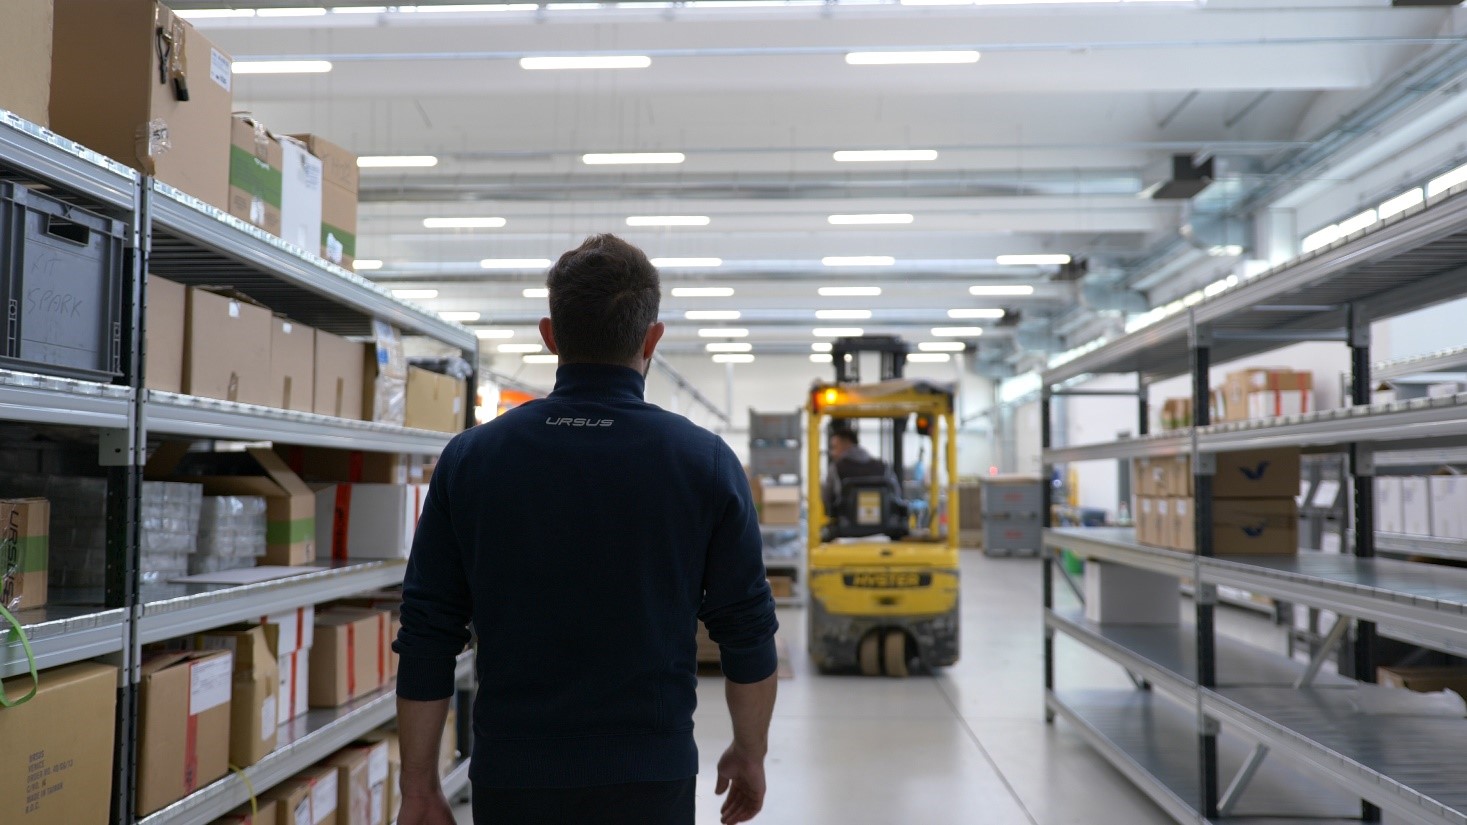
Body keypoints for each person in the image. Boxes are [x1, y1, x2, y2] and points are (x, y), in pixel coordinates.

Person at [393, 234, 779, 825]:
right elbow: (748, 631)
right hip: (651, 777)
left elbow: (427, 633)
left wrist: (418, 786)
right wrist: (750, 752)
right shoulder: (703, 463)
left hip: (513, 778)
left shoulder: (472, 459)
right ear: (652, 339)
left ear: (550, 336)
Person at [822, 425, 903, 519]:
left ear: (846, 444)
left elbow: (827, 499)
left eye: (834, 447)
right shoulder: (883, 467)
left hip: (846, 527)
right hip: (882, 525)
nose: (832, 453)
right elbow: (896, 495)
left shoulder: (835, 468)